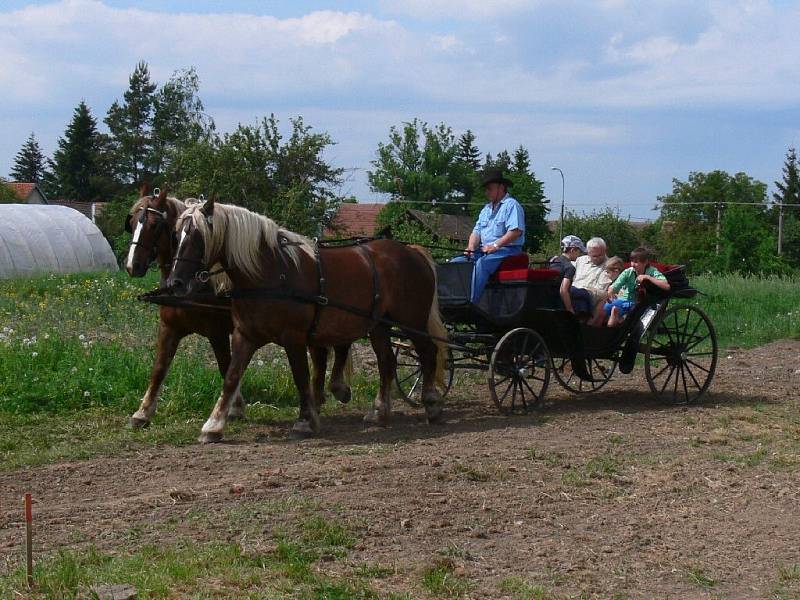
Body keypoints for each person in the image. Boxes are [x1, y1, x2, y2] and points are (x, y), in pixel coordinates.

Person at [451, 167, 525, 304]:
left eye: (490, 188)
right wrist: (470, 247)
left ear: (501, 187)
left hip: (508, 250)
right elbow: (476, 231)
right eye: (486, 189)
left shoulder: (511, 205)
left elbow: (515, 231)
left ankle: (470, 302)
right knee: (456, 263)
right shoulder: (486, 209)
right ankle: (452, 300)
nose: (487, 192)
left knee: (482, 264)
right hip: (485, 251)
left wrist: (495, 246)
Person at [605, 247, 670, 327]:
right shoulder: (628, 272)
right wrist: (611, 290)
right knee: (607, 306)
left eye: (636, 262)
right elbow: (616, 285)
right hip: (624, 300)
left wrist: (648, 277)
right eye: (632, 261)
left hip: (639, 303)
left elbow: (666, 286)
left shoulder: (652, 271)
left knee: (616, 308)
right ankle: (617, 323)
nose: (632, 264)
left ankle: (613, 328)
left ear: (645, 262)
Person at [560, 237, 611, 323]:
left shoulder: (609, 265)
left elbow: (601, 291)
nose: (597, 258)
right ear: (588, 253)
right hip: (573, 293)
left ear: (605, 250)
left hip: (591, 295)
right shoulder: (580, 260)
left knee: (569, 292)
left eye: (600, 255)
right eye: (594, 256)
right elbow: (566, 270)